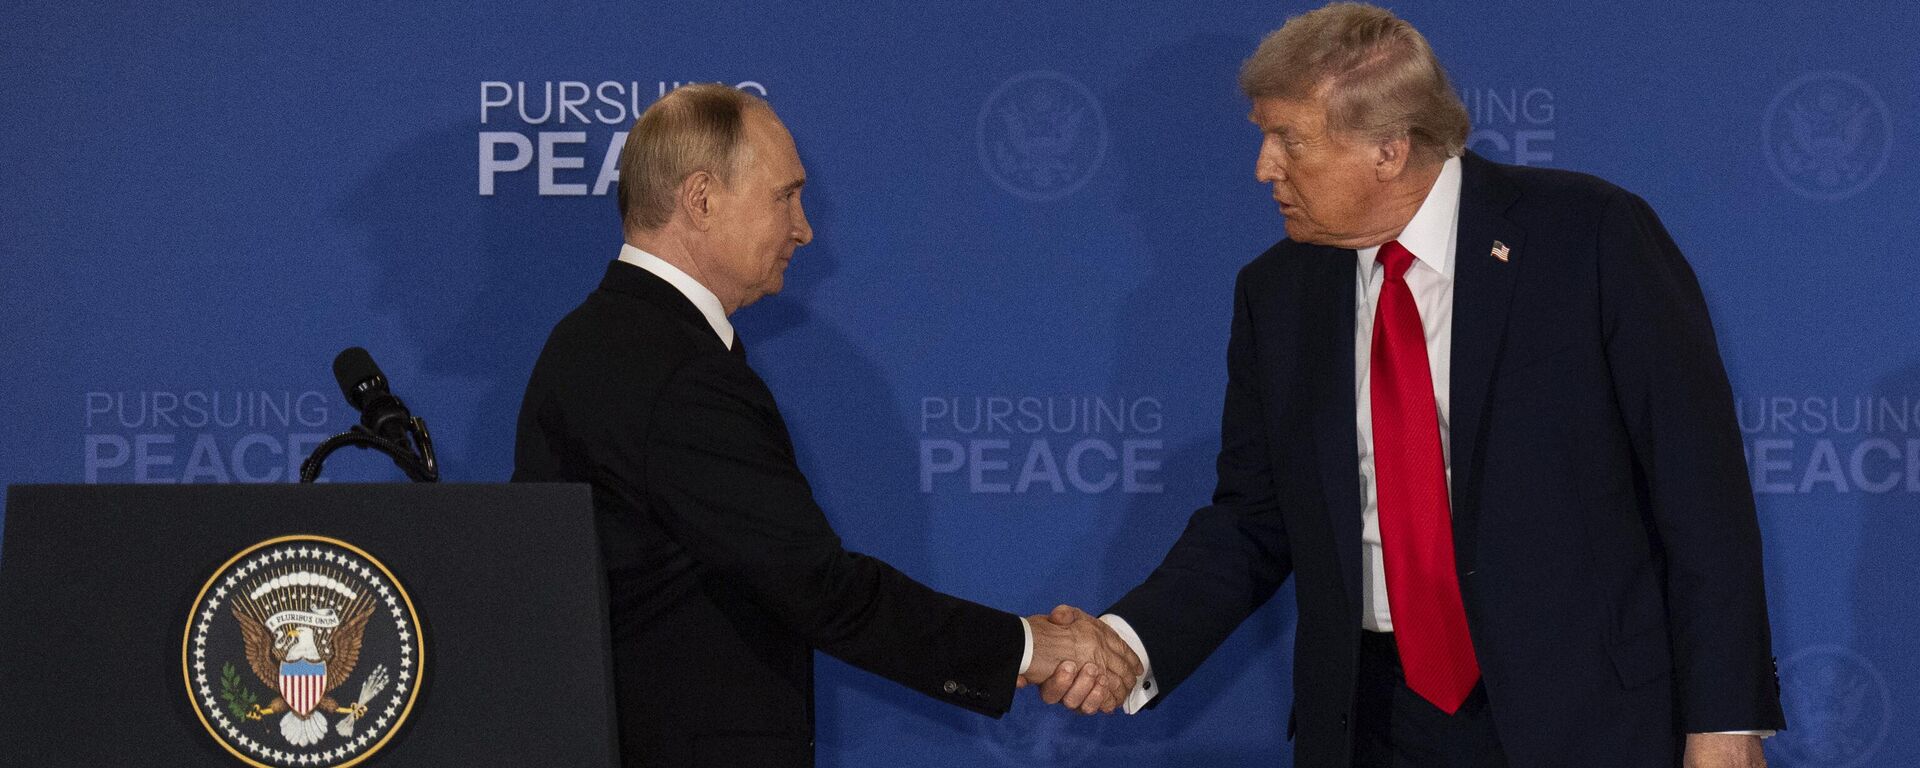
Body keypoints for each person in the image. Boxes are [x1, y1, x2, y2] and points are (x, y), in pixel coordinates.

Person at [1035, 5, 1784, 767]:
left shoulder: (1588, 236)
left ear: (1388, 151)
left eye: (1289, 140)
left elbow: (1701, 494)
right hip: (1371, 723)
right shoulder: (1278, 294)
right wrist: (1128, 641)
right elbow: (1254, 520)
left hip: (1584, 717)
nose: (1264, 167)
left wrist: (1726, 717)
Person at [512, 84, 1139, 768]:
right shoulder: (674, 369)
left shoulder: (600, 338)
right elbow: (816, 587)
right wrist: (1030, 646)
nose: (804, 227)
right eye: (785, 196)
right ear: (700, 200)